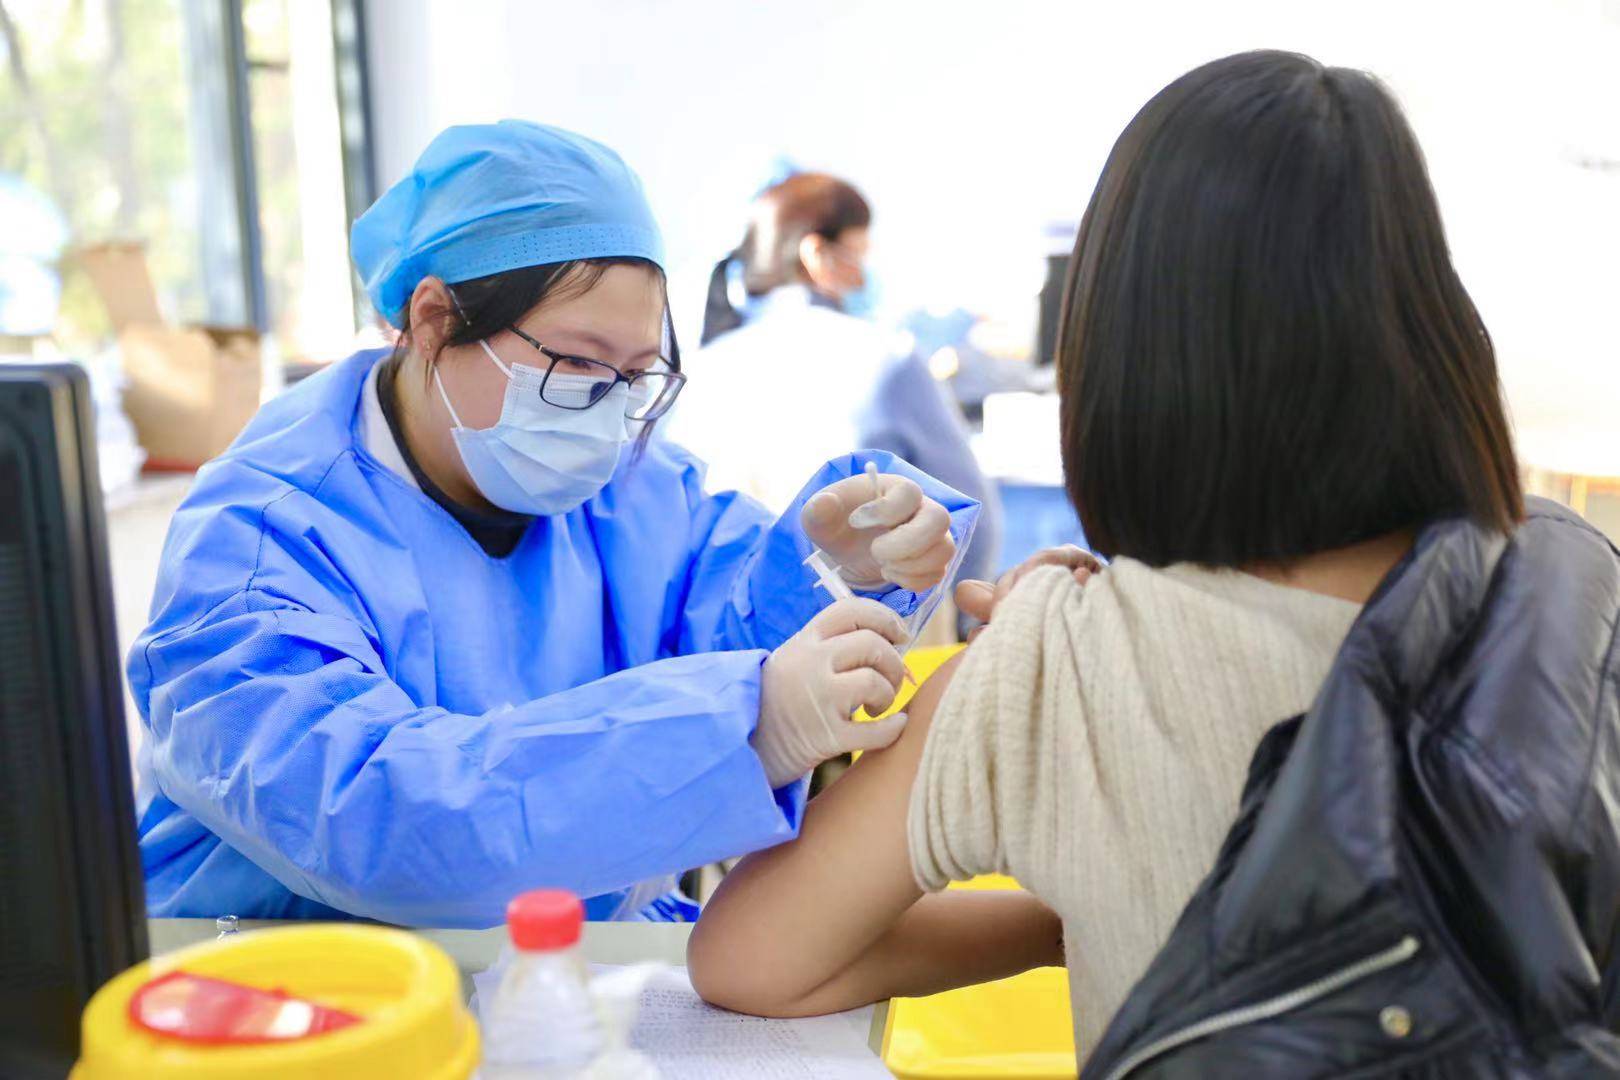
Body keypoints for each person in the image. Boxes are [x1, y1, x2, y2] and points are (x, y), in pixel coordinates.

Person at [687, 52, 1620, 1072]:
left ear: (1124, 345)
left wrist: (1084, 924)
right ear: (1427, 315)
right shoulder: (1570, 593)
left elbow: (748, 960)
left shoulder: (1053, 669)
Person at [129, 120, 980, 928]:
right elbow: (375, 816)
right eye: (575, 366)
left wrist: (835, 569)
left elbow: (730, 632)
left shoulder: (630, 492)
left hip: (570, 960)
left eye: (636, 374)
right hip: (298, 989)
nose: (605, 415)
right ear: (432, 319)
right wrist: (743, 726)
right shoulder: (259, 539)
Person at [669, 172, 1001, 583]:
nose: (864, 277)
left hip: (736, 633)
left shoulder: (706, 368)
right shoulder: (885, 357)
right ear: (816, 255)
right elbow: (970, 518)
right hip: (871, 629)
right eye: (858, 254)